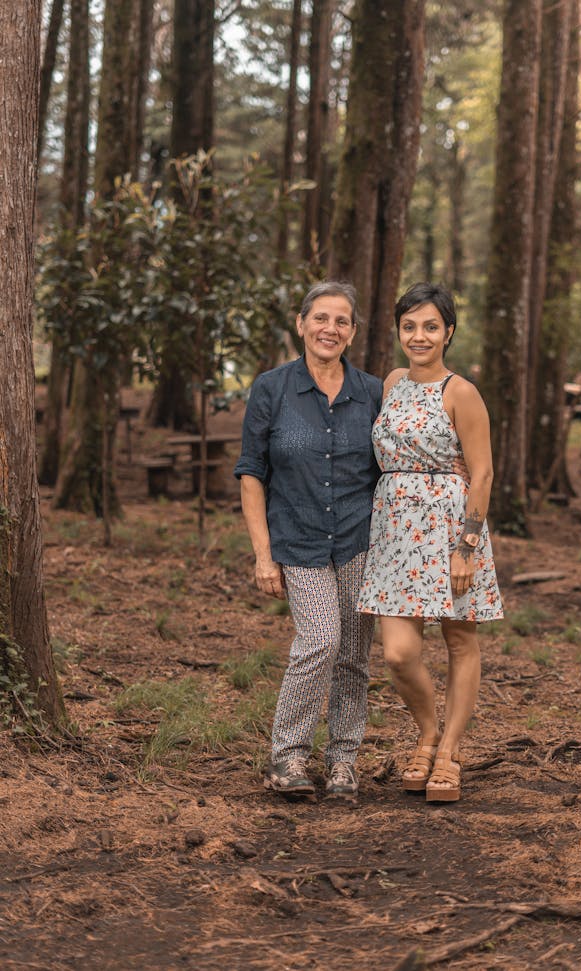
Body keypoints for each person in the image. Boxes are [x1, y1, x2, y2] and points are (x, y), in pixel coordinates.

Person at [234, 281, 382, 800]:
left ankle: (343, 759)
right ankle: (288, 755)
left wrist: (453, 466)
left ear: (353, 333)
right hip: (296, 541)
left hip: (359, 541)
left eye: (341, 321)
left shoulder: (371, 391)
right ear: (301, 324)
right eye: (321, 318)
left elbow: (398, 457)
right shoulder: (272, 388)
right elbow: (252, 473)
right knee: (320, 640)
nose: (330, 329)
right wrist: (262, 555)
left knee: (354, 656)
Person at [357, 282, 503, 802]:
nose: (419, 336)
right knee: (397, 653)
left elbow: (482, 474)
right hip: (395, 533)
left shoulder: (460, 392)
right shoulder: (393, 381)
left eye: (431, 326)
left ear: (449, 333)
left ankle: (450, 751)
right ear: (399, 331)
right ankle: (426, 730)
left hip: (449, 533)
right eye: (409, 326)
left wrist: (466, 546)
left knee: (460, 641)